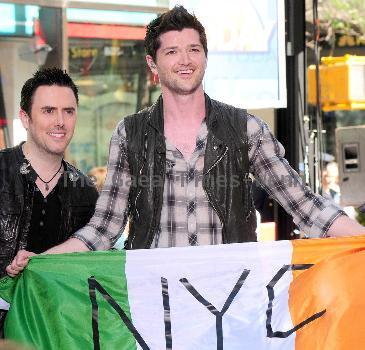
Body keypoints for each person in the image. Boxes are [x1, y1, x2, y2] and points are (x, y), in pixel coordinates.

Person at [7, 6, 365, 274]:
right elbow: (104, 227)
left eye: (194, 49)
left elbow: (306, 207)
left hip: (235, 294)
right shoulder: (128, 134)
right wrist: (43, 261)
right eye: (172, 51)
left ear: (206, 58)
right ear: (153, 62)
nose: (185, 60)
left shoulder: (246, 129)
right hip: (154, 304)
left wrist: (360, 237)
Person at [0, 68, 98, 334]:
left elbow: (89, 271)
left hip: (55, 331)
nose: (60, 121)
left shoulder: (85, 192)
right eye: (48, 111)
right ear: (25, 118)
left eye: (69, 111)